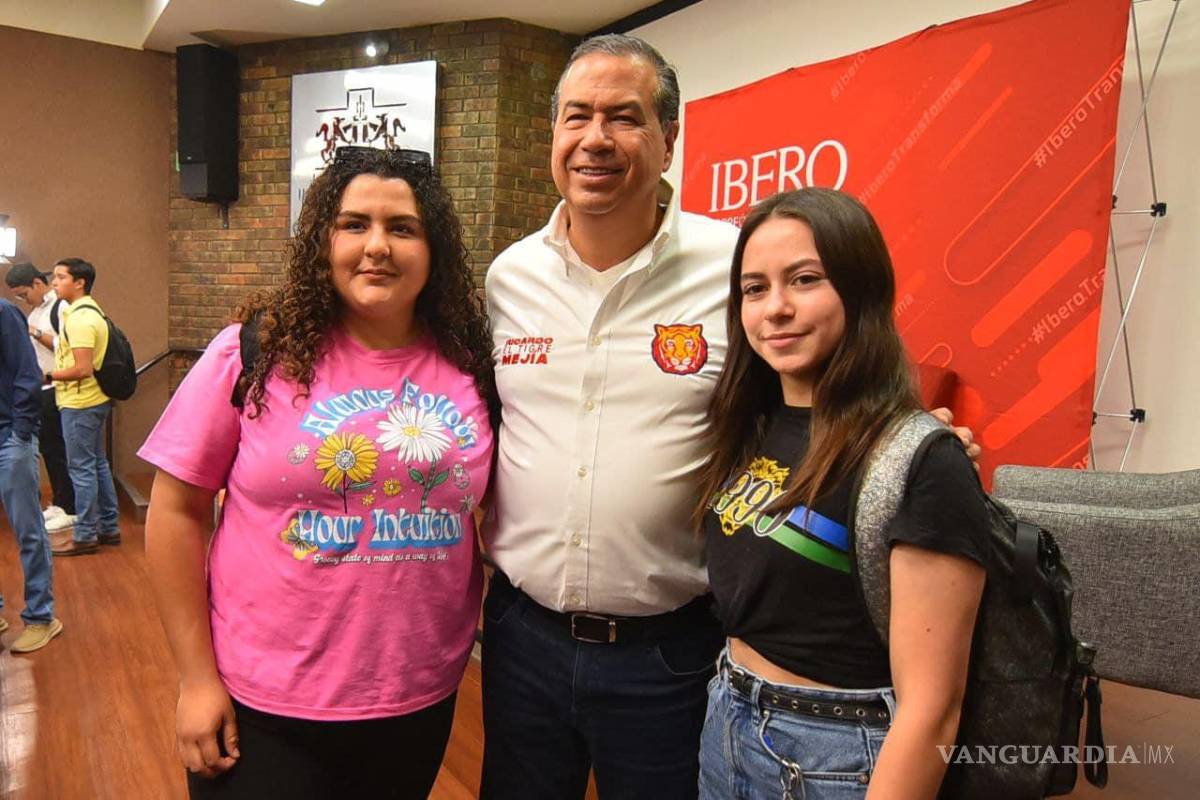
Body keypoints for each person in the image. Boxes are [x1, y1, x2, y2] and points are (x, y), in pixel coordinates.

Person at [482, 34, 979, 800]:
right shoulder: (509, 277)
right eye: (576, 116)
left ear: (669, 137)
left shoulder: (736, 268)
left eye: (625, 116)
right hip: (522, 638)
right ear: (553, 134)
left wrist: (915, 450)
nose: (596, 139)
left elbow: (825, 385)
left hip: (670, 654)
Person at [138, 147, 498, 799]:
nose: (377, 246)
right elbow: (174, 511)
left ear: (434, 246)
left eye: (403, 228)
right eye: (354, 224)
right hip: (264, 704)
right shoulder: (253, 351)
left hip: (417, 698)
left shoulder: (470, 366)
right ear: (322, 241)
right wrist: (195, 678)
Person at [695, 189, 989, 799]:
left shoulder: (923, 460)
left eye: (804, 280)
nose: (775, 308)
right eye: (754, 288)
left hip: (837, 755)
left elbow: (933, 708)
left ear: (860, 287)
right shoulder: (750, 424)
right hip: (727, 718)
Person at [0, 295, 62, 652]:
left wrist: (21, 430)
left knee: (28, 530)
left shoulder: (4, 313)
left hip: (11, 436)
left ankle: (41, 617)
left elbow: (28, 373)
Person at [46, 258, 119, 555]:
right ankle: (109, 527)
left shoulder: (80, 319)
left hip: (80, 402)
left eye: (60, 277)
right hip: (92, 401)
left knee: (82, 467)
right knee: (97, 464)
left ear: (80, 283)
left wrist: (47, 375)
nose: (54, 282)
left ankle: (87, 532)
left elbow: (82, 368)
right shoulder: (87, 312)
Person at [4, 262, 76, 533]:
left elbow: (67, 345)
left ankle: (71, 508)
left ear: (37, 283)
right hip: (41, 390)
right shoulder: (36, 311)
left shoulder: (61, 308)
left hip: (57, 386)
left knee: (60, 452)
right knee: (50, 450)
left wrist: (31, 331)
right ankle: (61, 502)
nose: (23, 300)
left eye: (24, 293)